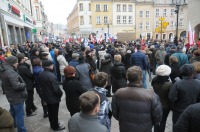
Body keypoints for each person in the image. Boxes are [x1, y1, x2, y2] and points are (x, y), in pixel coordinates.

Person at [112, 66, 162, 132]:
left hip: (125, 128)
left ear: (127, 77)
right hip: (145, 128)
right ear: (141, 77)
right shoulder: (151, 95)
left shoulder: (118, 93)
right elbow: (157, 117)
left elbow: (115, 114)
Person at [169, 64, 200, 131]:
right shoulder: (198, 83)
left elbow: (172, 98)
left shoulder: (177, 84)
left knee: (177, 127)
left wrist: (174, 107)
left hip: (179, 111)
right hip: (193, 112)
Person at [0, 56, 27, 132]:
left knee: (13, 111)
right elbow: (16, 86)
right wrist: (24, 84)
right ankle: (21, 130)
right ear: (12, 63)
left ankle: (10, 123)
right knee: (20, 115)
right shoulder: (10, 72)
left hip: (10, 95)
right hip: (16, 96)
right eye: (16, 62)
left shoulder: (4, 69)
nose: (17, 63)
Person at [38, 60, 65, 131]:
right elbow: (56, 89)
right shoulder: (51, 76)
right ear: (50, 66)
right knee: (54, 113)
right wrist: (60, 94)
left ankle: (53, 124)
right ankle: (55, 126)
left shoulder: (41, 73)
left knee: (50, 112)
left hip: (47, 96)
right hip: (53, 98)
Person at [151, 65, 172, 132]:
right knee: (163, 120)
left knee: (156, 120)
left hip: (155, 103)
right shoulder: (169, 84)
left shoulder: (154, 80)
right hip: (165, 105)